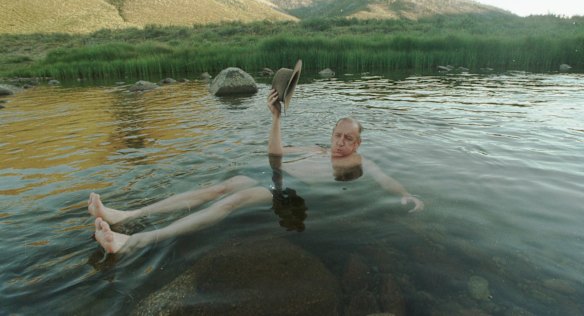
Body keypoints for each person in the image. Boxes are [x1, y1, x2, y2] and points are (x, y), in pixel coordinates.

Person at [89, 89, 424, 254]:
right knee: (216, 189)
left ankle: (133, 241)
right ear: (332, 134)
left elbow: (386, 180)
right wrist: (276, 118)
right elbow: (274, 153)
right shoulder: (316, 149)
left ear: (358, 143)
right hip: (278, 176)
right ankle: (125, 214)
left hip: (289, 194)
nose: (341, 143)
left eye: (349, 139)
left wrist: (406, 194)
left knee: (230, 202)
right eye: (338, 135)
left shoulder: (361, 162)